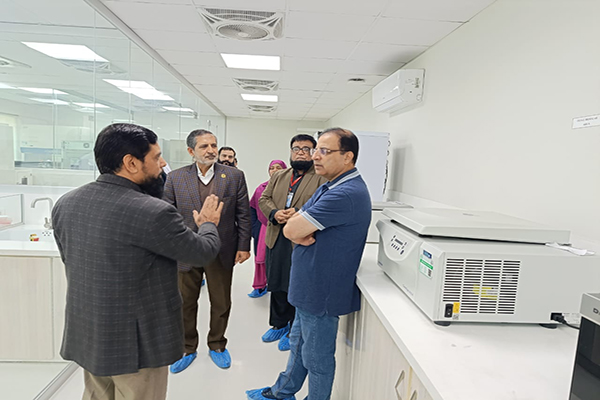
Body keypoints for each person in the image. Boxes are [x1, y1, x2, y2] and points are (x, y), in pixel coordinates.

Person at [52, 123, 223, 400]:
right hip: (136, 345)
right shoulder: (153, 212)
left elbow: (69, 258)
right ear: (131, 163)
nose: (163, 164)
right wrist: (208, 224)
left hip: (90, 333)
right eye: (156, 157)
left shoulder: (67, 202)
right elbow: (201, 253)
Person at [247, 128, 372, 400]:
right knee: (298, 344)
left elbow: (291, 229)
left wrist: (297, 229)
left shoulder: (345, 193)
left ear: (348, 156)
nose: (315, 156)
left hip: (321, 290)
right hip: (308, 285)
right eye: (317, 150)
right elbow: (296, 223)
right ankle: (283, 392)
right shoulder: (329, 185)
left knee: (317, 358)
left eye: (324, 151)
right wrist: (298, 228)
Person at [164, 129, 251, 371]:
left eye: (213, 145)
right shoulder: (175, 178)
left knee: (221, 301)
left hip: (221, 249)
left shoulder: (233, 176)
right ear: (191, 151)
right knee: (185, 302)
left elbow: (243, 214)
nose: (211, 150)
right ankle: (187, 347)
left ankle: (217, 344)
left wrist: (244, 246)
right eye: (204, 146)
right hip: (186, 249)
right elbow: (167, 216)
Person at [258, 135, 327, 351]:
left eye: (306, 149)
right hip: (276, 236)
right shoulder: (279, 176)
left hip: (301, 239)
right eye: (296, 148)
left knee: (296, 285)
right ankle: (278, 324)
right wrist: (275, 213)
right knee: (277, 282)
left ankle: (293, 330)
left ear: (314, 153)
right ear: (290, 151)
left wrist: (297, 212)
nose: (301, 153)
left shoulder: (321, 177)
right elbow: (264, 199)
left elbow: (322, 204)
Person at [248, 159, 287, 298]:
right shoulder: (261, 188)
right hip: (262, 228)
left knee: (280, 259)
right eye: (272, 168)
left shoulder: (289, 189)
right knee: (260, 259)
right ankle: (260, 286)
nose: (274, 170)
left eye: (278, 167)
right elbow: (252, 208)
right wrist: (254, 228)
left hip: (283, 229)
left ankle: (279, 287)